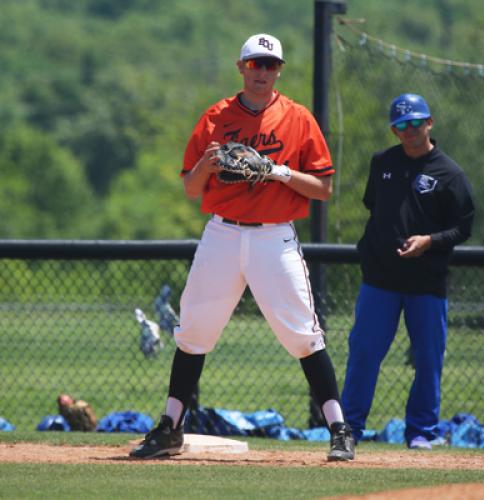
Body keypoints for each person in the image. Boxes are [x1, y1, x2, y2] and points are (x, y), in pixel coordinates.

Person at [130, 33, 355, 461]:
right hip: (224, 233)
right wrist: (205, 165)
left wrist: (277, 170)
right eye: (255, 64)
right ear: (241, 67)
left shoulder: (297, 118)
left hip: (275, 235)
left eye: (270, 65)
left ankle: (340, 429)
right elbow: (192, 188)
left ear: (279, 71)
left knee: (304, 335)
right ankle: (169, 427)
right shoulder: (216, 117)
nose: (262, 72)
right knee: (193, 331)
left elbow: (323, 188)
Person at [340, 93, 475, 450]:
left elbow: (463, 228)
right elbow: (374, 206)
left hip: (426, 283)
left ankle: (420, 432)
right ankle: (349, 429)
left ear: (429, 123)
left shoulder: (450, 173)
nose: (410, 130)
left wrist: (429, 240)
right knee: (364, 354)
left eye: (416, 122)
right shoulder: (381, 162)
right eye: (402, 125)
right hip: (380, 279)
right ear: (394, 130)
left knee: (428, 359)